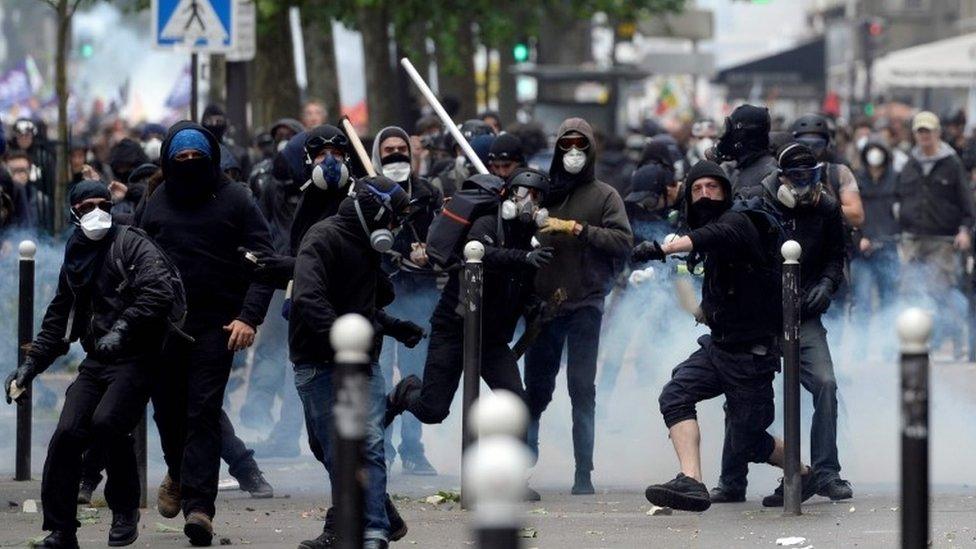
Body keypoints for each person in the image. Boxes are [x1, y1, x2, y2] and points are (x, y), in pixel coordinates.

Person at [635, 160, 817, 512]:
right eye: (697, 189)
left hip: (752, 356)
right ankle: (691, 481)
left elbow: (713, 236)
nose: (705, 195)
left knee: (747, 439)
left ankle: (803, 473)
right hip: (719, 347)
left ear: (725, 192)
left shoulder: (737, 221)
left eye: (712, 187)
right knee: (675, 395)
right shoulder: (710, 231)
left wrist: (663, 249)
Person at [5, 180, 178, 548]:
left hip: (137, 358)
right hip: (98, 360)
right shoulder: (77, 252)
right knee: (66, 433)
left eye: (103, 204)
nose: (95, 212)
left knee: (107, 422)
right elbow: (59, 318)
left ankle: (124, 510)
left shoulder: (131, 243)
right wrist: (30, 367)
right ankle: (61, 529)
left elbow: (159, 290)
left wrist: (124, 328)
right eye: (86, 207)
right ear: (74, 213)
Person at [139, 122, 276, 546]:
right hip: (163, 325)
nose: (189, 165)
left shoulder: (237, 199)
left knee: (202, 410)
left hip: (218, 324)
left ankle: (200, 507)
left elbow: (265, 261)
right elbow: (138, 256)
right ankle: (179, 472)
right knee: (167, 411)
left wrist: (248, 317)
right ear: (167, 161)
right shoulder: (157, 200)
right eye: (180, 159)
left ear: (212, 158)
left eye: (196, 158)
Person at [716, 143, 852, 505]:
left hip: (804, 315)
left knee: (825, 383)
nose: (803, 185)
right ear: (782, 177)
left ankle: (826, 472)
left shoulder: (826, 208)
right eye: (796, 178)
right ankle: (732, 480)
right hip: (760, 317)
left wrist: (826, 285)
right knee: (740, 392)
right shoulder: (757, 204)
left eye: (810, 177)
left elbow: (836, 258)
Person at [289, 177, 416, 549]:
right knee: (329, 448)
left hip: (364, 359)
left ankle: (373, 529)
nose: (394, 229)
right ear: (375, 213)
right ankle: (374, 515)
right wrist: (344, 339)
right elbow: (309, 299)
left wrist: (391, 327)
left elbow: (364, 304)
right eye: (392, 219)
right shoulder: (322, 238)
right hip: (318, 360)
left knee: (369, 443)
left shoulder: (367, 245)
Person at [385, 170, 552, 450]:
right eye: (523, 193)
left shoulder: (530, 237)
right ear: (509, 196)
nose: (528, 202)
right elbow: (480, 254)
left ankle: (513, 474)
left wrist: (533, 303)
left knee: (516, 405)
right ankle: (404, 393)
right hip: (455, 326)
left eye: (536, 197)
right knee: (433, 409)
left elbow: (517, 283)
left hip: (492, 337)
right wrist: (524, 258)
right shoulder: (488, 222)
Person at [524, 118, 633, 496]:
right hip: (542, 306)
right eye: (566, 144)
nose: (573, 152)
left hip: (586, 303)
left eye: (580, 145)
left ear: (590, 150)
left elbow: (622, 241)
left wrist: (577, 229)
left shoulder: (605, 196)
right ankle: (523, 465)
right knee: (535, 389)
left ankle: (583, 472)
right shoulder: (540, 192)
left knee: (581, 389)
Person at [368, 125, 444, 475]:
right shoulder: (366, 194)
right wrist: (398, 252)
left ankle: (413, 448)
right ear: (377, 155)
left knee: (415, 376)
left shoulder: (427, 194)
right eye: (389, 150)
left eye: (402, 148)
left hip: (419, 297)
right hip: (381, 299)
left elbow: (444, 237)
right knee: (379, 375)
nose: (396, 154)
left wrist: (430, 250)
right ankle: (378, 446)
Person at [896, 111, 975, 353]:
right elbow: (899, 197)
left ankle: (957, 337)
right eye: (920, 131)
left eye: (928, 131)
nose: (924, 136)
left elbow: (966, 204)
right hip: (912, 237)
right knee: (908, 289)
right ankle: (914, 342)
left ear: (937, 133)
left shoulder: (951, 164)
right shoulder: (910, 164)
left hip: (943, 239)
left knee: (940, 290)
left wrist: (965, 230)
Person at [852, 140, 900, 336]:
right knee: (862, 300)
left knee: (889, 298)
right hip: (863, 249)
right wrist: (860, 237)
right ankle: (862, 347)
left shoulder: (896, 179)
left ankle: (888, 343)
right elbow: (853, 213)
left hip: (888, 246)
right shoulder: (857, 179)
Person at [790, 114, 865, 227]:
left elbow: (857, 216)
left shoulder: (838, 172)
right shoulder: (783, 172)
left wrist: (820, 203)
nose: (810, 150)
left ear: (827, 145)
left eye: (817, 145)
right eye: (804, 144)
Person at [714, 104, 777, 195]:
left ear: (742, 135)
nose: (725, 138)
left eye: (730, 130)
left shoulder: (770, 175)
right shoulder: (732, 169)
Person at [430, 119, 495, 198]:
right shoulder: (441, 184)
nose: (464, 154)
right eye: (459, 149)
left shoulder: (501, 181)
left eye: (470, 150)